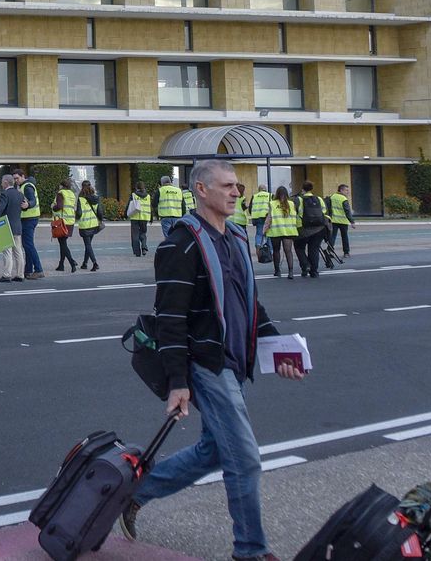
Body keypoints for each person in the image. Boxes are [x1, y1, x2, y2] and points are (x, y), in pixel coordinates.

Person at [120, 159, 304, 561]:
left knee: (216, 450)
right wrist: (177, 381)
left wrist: (280, 349)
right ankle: (251, 552)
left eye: (237, 186)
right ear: (201, 190)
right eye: (227, 186)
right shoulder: (181, 245)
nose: (237, 192)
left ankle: (135, 491)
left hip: (234, 362)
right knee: (245, 459)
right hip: (206, 364)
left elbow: (249, 303)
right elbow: (169, 320)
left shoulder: (237, 237)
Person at [0, 174, 26, 284]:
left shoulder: (5, 194)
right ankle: (20, 275)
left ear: (5, 182)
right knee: (18, 251)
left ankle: (7, 275)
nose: (1, 184)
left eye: (2, 182)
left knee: (7, 252)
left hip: (6, 227)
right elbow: (24, 207)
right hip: (18, 226)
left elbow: (0, 209)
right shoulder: (20, 194)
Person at [15, 170, 45, 280]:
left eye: (17, 178)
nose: (16, 180)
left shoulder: (27, 187)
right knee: (27, 245)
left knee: (28, 245)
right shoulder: (23, 186)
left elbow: (33, 201)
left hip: (29, 218)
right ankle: (28, 271)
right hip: (29, 218)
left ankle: (38, 269)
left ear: (23, 176)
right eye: (14, 179)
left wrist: (28, 205)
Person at [296, 180, 329, 277]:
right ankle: (314, 271)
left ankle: (305, 265)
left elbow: (295, 213)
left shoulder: (299, 199)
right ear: (311, 189)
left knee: (299, 248)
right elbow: (324, 211)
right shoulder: (319, 199)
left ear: (302, 189)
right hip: (319, 228)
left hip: (303, 228)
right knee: (314, 249)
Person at [266, 186, 299, 279]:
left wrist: (265, 229)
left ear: (277, 193)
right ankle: (291, 272)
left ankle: (277, 271)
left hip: (276, 231)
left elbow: (269, 218)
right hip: (289, 231)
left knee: (276, 251)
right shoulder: (291, 204)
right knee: (288, 251)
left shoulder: (272, 204)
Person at [52, 178, 79, 272]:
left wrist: (53, 207)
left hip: (61, 221)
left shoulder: (61, 193)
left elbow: (59, 206)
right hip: (70, 221)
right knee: (63, 243)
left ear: (62, 185)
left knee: (62, 244)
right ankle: (61, 265)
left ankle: (72, 262)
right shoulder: (72, 194)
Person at [76, 180, 102, 271]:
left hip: (85, 225)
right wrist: (100, 220)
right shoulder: (96, 197)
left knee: (87, 245)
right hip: (94, 224)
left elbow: (79, 213)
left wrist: (76, 217)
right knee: (88, 245)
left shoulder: (81, 199)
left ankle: (95, 263)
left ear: (82, 187)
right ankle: (85, 263)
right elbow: (100, 212)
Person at [326, 184, 355, 259]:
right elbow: (347, 211)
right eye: (346, 190)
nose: (348, 192)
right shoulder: (343, 199)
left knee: (332, 236)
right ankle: (346, 252)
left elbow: (328, 208)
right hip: (343, 221)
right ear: (341, 190)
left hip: (334, 220)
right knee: (344, 237)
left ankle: (330, 250)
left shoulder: (332, 196)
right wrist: (352, 221)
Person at [127, 182, 152, 258]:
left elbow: (129, 205)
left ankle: (137, 252)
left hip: (135, 217)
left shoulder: (133, 195)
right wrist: (151, 217)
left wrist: (125, 214)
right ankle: (144, 247)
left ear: (136, 187)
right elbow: (150, 207)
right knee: (143, 233)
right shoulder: (148, 196)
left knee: (135, 235)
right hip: (145, 217)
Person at [248, 183, 272, 253]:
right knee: (269, 233)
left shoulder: (255, 196)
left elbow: (250, 208)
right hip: (267, 217)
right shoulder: (270, 195)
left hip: (257, 217)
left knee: (259, 234)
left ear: (259, 190)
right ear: (265, 189)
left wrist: (253, 215)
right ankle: (270, 251)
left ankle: (258, 248)